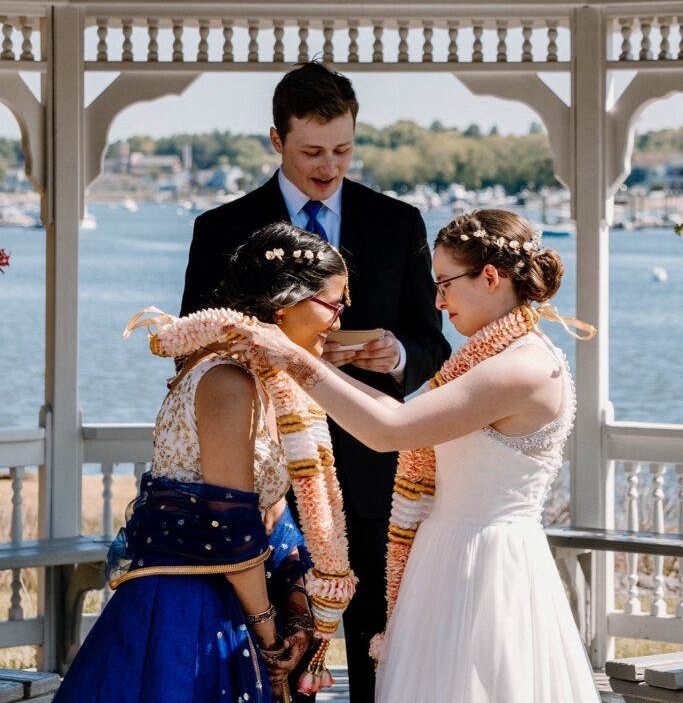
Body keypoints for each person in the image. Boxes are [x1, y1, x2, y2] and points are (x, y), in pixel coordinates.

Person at [226, 209, 601, 703]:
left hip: (485, 567)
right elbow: (406, 414)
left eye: (445, 283)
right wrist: (325, 367)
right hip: (447, 557)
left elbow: (391, 430)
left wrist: (293, 359)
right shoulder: (493, 358)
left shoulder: (523, 367)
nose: (439, 301)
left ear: (490, 277)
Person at [181, 62, 450, 702]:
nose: (329, 167)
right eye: (311, 151)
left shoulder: (398, 223)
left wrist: (399, 354)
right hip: (262, 466)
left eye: (343, 149)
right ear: (276, 140)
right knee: (269, 649)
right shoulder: (219, 229)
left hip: (369, 467)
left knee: (379, 650)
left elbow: (433, 341)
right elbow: (192, 346)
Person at [55, 221, 354, 703]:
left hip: (239, 596)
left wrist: (299, 613)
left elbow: (271, 513)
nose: (338, 320)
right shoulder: (228, 381)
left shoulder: (268, 382)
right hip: (186, 614)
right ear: (285, 302)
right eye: (334, 303)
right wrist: (269, 635)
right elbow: (232, 527)